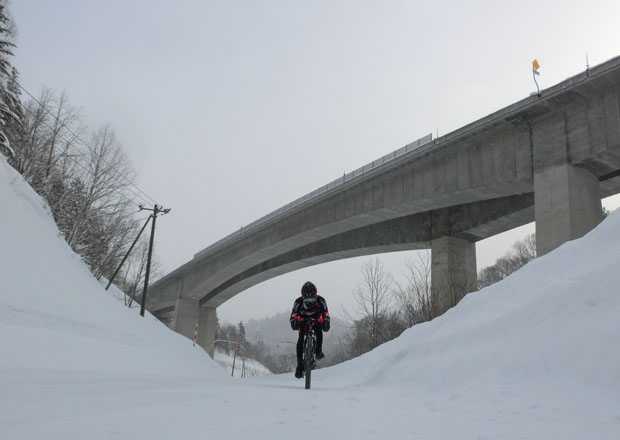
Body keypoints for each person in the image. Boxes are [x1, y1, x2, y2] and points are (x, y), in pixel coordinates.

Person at [290, 281, 330, 379]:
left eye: (312, 299)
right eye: (307, 299)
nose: (309, 302)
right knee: (300, 341)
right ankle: (299, 366)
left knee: (319, 331)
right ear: (302, 296)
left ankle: (318, 351)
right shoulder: (298, 302)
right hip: (303, 321)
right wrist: (294, 322)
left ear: (315, 295)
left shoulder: (321, 301)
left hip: (316, 319)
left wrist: (326, 322)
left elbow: (326, 313)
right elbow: (293, 315)